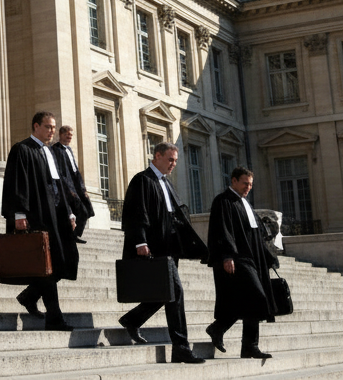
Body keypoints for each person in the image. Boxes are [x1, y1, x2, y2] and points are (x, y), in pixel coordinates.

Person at [118, 142, 205, 364]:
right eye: (170, 159)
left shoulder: (167, 184)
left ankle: (132, 319)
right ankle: (181, 348)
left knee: (166, 292)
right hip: (152, 245)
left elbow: (176, 214)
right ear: (157, 156)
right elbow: (136, 213)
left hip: (170, 245)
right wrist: (140, 241)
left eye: (175, 161)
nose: (173, 164)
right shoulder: (142, 180)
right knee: (175, 293)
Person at [1, 111, 77, 331]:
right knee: (47, 267)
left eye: (54, 127)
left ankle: (29, 296)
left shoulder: (50, 152)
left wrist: (70, 212)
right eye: (48, 127)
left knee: (63, 261)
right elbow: (17, 184)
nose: (52, 131)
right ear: (36, 126)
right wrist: (19, 214)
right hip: (35, 217)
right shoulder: (22, 149)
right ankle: (54, 317)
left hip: (55, 217)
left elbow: (58, 184)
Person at [206, 167, 275, 360]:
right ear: (234, 181)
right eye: (245, 183)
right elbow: (223, 230)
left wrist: (268, 257)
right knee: (256, 297)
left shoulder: (245, 203)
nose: (248, 187)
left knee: (251, 301)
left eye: (251, 184)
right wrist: (227, 255)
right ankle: (218, 328)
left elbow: (256, 233)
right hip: (238, 258)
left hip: (254, 259)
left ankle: (249, 346)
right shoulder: (223, 201)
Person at [50, 124, 94, 243]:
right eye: (67, 135)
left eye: (70, 135)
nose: (69, 137)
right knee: (79, 210)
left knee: (86, 210)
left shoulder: (69, 149)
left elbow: (75, 169)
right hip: (66, 186)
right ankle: (72, 235)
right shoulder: (56, 149)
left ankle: (74, 234)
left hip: (76, 185)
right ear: (61, 135)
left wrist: (82, 188)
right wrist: (68, 188)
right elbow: (60, 171)